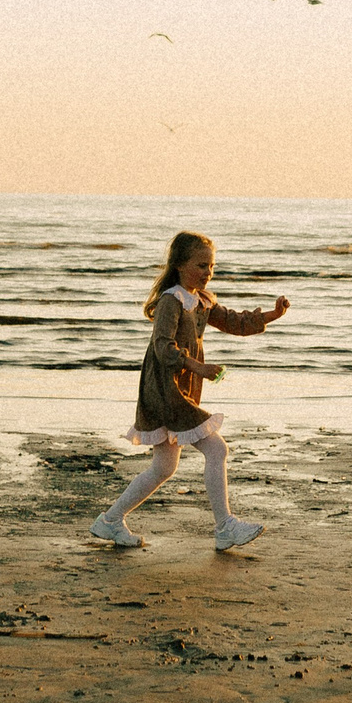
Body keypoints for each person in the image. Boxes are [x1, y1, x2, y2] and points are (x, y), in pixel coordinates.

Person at [90, 231, 289, 551]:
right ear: (181, 265)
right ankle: (225, 527)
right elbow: (162, 347)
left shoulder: (202, 300)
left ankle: (110, 521)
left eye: (212, 266)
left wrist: (272, 315)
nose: (208, 272)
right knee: (216, 449)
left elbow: (236, 322)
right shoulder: (172, 300)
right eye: (202, 265)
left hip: (181, 389)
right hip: (166, 390)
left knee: (163, 467)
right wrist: (199, 367)